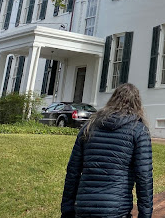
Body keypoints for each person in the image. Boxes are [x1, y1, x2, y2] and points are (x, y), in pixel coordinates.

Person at [61, 83, 153, 218]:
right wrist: (145, 214)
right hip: (116, 209)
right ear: (137, 104)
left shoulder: (89, 127)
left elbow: (73, 172)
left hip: (84, 207)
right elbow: (144, 176)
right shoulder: (138, 130)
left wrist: (67, 209)